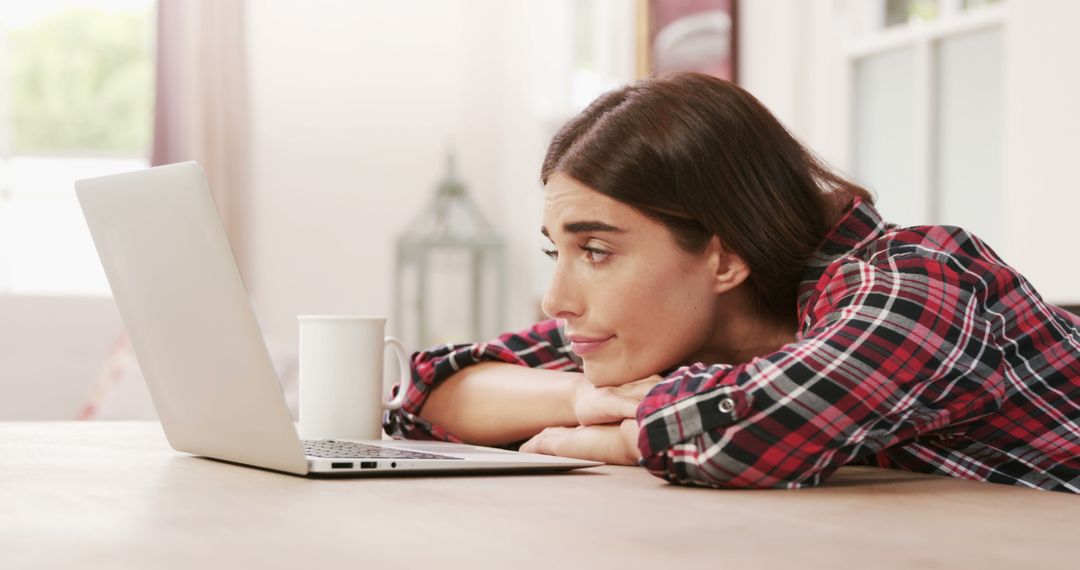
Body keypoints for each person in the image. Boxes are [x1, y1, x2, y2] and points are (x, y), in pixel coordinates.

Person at [385, 72, 1080, 492]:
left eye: (595, 251)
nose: (557, 299)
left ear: (725, 256)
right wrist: (582, 395)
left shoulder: (920, 283)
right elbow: (430, 393)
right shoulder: (679, 326)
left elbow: (759, 427)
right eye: (555, 254)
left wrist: (619, 436)